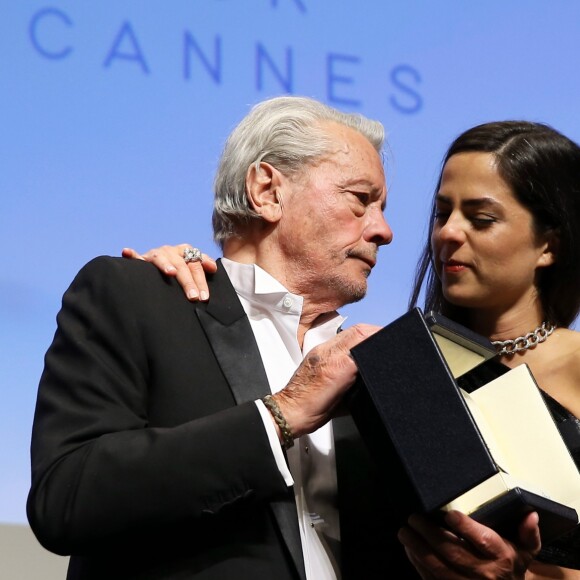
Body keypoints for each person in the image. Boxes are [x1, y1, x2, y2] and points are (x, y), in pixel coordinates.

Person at [127, 118, 580, 578]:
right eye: (442, 214)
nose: (447, 234)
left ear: (549, 244)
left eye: (481, 219)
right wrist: (172, 282)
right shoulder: (393, 365)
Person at [27, 95, 412, 580]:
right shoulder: (138, 297)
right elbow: (66, 497)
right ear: (268, 190)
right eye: (360, 200)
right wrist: (281, 413)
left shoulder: (375, 368)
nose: (384, 230)